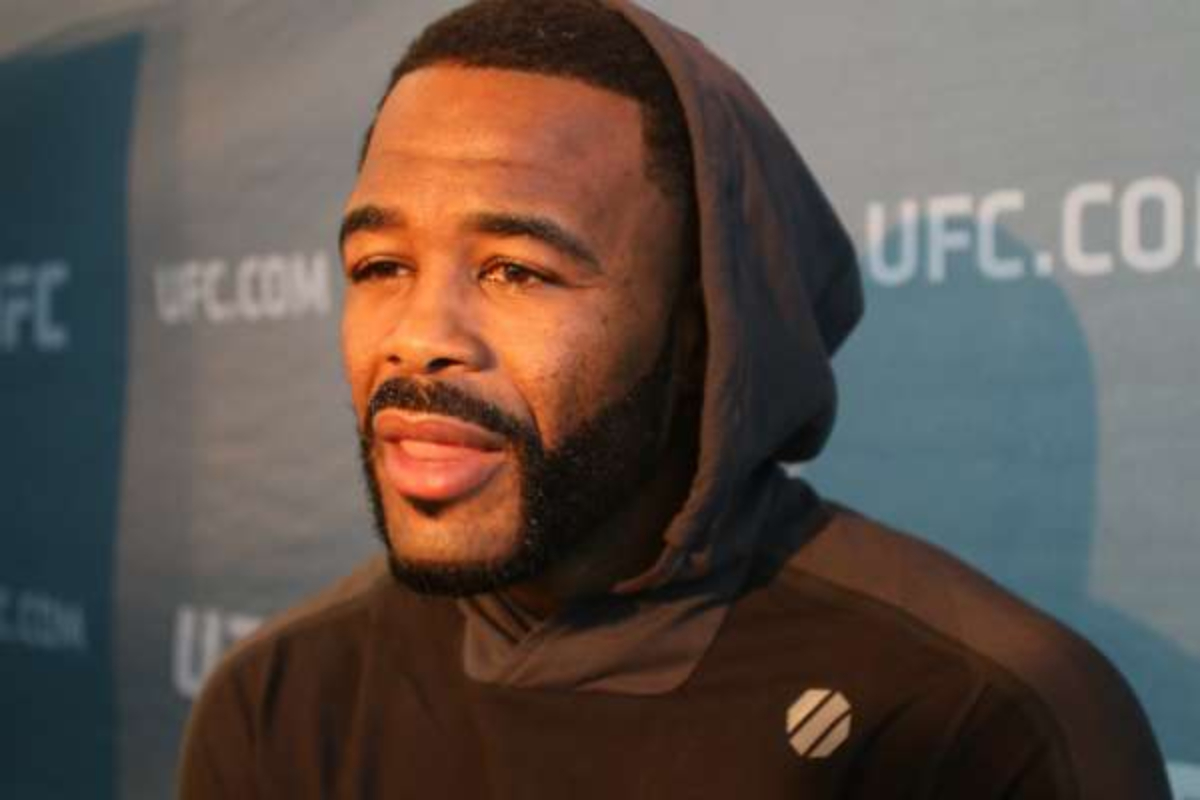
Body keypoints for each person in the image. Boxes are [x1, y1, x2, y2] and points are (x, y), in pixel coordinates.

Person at [178, 1, 1171, 797]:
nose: (418, 336)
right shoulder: (279, 699)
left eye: (517, 270)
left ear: (705, 327)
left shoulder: (981, 721)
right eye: (381, 265)